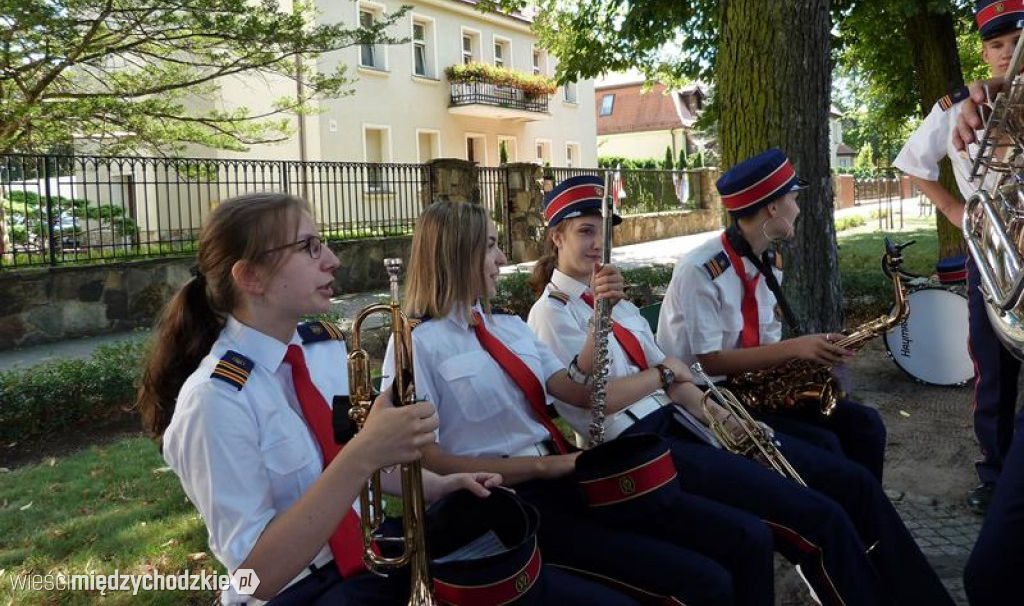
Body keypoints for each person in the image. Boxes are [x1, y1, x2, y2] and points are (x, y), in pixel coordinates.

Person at [137, 192, 628, 606]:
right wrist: (366, 451)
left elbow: (361, 461)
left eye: (323, 243)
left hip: (375, 558)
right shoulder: (214, 401)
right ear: (252, 278)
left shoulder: (323, 348)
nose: (333, 260)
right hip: (307, 591)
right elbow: (253, 576)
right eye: (309, 248)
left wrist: (441, 484)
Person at [528, 174, 954, 606]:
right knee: (818, 517)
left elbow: (679, 381)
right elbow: (596, 403)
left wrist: (729, 422)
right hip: (638, 452)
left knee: (845, 484)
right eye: (585, 231)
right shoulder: (551, 314)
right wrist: (666, 376)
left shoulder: (623, 305)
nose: (599, 243)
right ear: (556, 237)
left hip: (685, 422)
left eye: (604, 231)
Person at [384, 199, 776, 606]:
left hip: (569, 477)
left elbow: (576, 389)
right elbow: (428, 460)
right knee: (701, 583)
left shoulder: (508, 327)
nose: (501, 258)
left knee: (738, 540)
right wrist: (545, 465)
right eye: (489, 246)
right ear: (455, 253)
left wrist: (599, 320)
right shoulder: (415, 342)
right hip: (510, 505)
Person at [657, 149, 888, 481]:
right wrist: (797, 348)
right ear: (773, 207)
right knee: (827, 448)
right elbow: (711, 362)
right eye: (793, 199)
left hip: (751, 389)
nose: (797, 209)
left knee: (867, 426)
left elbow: (763, 346)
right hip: (708, 399)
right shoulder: (700, 270)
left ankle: (864, 522)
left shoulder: (769, 263)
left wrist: (811, 365)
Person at [894, 0, 1024, 514]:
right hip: (993, 252)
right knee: (992, 366)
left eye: (1018, 42)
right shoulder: (954, 108)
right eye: (998, 45)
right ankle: (997, 473)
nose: (1007, 53)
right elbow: (911, 166)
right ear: (985, 53)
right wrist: (955, 213)